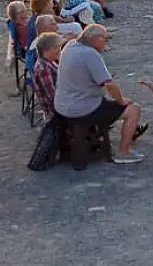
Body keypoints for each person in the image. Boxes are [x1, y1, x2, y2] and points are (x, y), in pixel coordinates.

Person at [54, 24, 144, 164]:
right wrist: (121, 101)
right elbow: (109, 85)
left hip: (62, 105)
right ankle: (124, 152)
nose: (106, 42)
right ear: (95, 39)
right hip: (82, 109)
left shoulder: (70, 46)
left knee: (107, 101)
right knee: (133, 109)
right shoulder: (90, 54)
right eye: (104, 39)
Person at [32, 31, 62, 120]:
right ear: (46, 50)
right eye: (57, 47)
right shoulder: (43, 69)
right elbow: (52, 96)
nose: (60, 50)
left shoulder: (49, 61)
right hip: (55, 111)